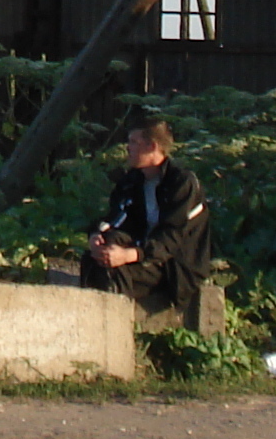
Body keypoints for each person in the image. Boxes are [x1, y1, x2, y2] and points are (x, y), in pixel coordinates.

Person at [78, 117, 212, 313]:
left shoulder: (182, 184)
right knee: (96, 258)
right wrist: (96, 236)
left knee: (112, 270)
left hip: (173, 266)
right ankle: (100, 322)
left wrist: (129, 255)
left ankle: (114, 325)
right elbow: (115, 219)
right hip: (143, 255)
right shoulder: (132, 181)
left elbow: (171, 238)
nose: (127, 148)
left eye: (133, 142)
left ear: (152, 146)